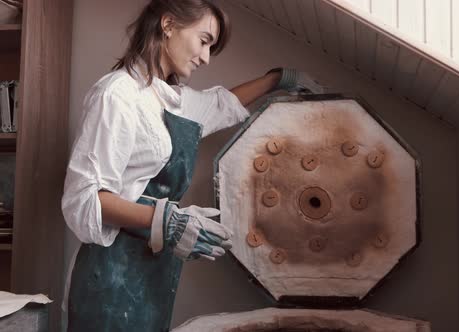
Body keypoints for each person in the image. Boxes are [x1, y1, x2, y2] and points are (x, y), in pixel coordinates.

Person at [61, 0, 322, 331]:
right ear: (168, 25)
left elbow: (217, 106)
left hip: (150, 275)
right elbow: (84, 200)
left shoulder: (169, 99)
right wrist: (167, 219)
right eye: (204, 41)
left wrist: (278, 79)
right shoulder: (117, 95)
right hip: (107, 278)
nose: (205, 58)